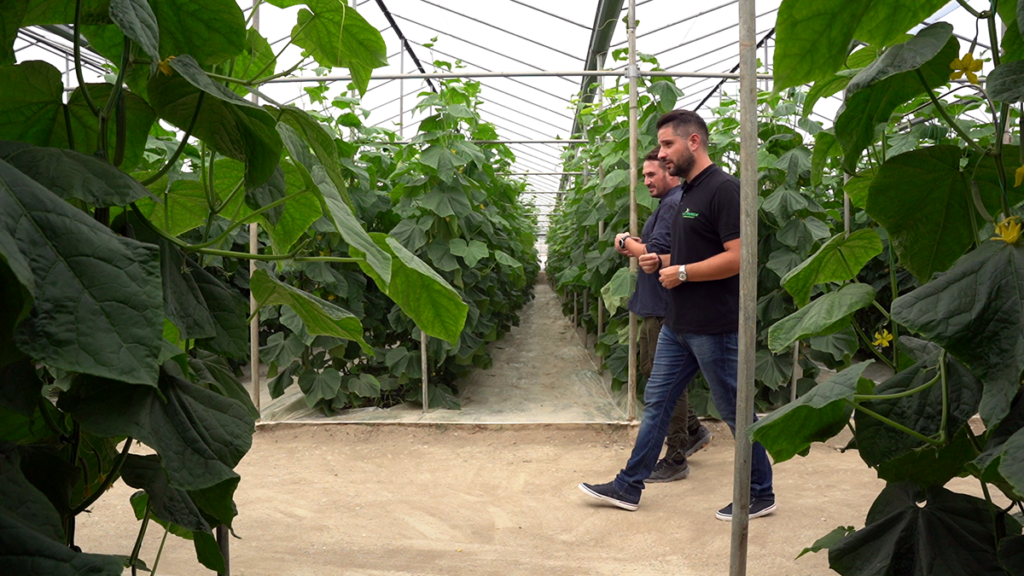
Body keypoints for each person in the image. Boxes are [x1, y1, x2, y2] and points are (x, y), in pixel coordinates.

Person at [579, 109, 775, 520]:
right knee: (657, 404)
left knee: (736, 413)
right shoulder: (686, 193)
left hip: (714, 326)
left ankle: (760, 492)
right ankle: (629, 485)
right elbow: (690, 255)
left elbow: (738, 258)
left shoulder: (724, 190)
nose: (662, 154)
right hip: (679, 324)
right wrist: (663, 261)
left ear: (694, 142)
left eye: (668, 145)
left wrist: (682, 271)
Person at [613, 147, 712, 484]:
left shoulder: (673, 204)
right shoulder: (668, 205)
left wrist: (627, 242)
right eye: (644, 176)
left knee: (664, 381)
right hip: (656, 303)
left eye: (652, 174)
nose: (647, 181)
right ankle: (695, 429)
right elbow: (662, 249)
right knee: (654, 372)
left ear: (671, 172)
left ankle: (676, 454)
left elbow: (658, 256)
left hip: (664, 306)